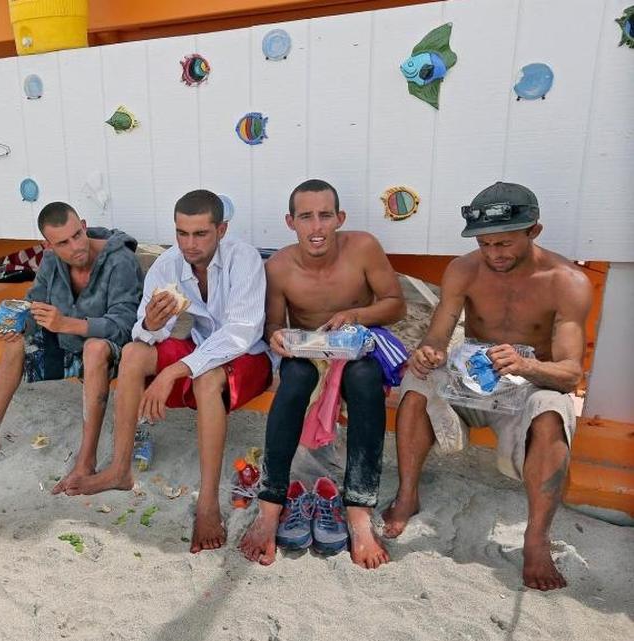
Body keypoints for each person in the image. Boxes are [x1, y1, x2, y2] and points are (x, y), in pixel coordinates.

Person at [381, 182, 590, 591]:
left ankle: (536, 538)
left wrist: (527, 365)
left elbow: (570, 374)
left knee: (553, 410)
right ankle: (407, 495)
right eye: (484, 244)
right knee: (416, 381)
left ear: (534, 231)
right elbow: (438, 336)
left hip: (530, 385)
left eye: (504, 243)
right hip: (472, 380)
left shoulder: (567, 281)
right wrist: (428, 352)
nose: (494, 254)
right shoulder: (464, 269)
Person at [64, 189, 273, 554]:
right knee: (133, 353)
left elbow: (242, 333)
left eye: (200, 234)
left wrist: (173, 371)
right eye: (182, 233)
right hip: (201, 348)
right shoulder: (169, 264)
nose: (189, 244)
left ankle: (207, 501)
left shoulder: (244, 259)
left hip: (249, 356)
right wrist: (151, 323)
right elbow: (143, 333)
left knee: (206, 379)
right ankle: (120, 469)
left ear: (221, 230)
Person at [237, 179, 406, 569]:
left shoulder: (362, 247)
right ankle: (270, 507)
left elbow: (396, 304)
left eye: (325, 216)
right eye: (306, 217)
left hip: (358, 346)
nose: (316, 227)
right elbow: (273, 325)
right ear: (290, 222)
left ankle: (359, 512)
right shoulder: (279, 267)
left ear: (340, 218)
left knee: (364, 380)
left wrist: (356, 315)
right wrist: (276, 336)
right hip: (308, 352)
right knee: (294, 381)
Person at [0, 202, 144, 486]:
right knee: (15, 343)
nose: (76, 247)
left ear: (84, 226)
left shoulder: (120, 260)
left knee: (95, 348)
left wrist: (67, 323)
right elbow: (34, 304)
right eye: (63, 243)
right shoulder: (51, 261)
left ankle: (86, 460)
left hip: (115, 353)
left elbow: (125, 325)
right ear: (48, 245)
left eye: (77, 235)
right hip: (67, 344)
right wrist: (16, 325)